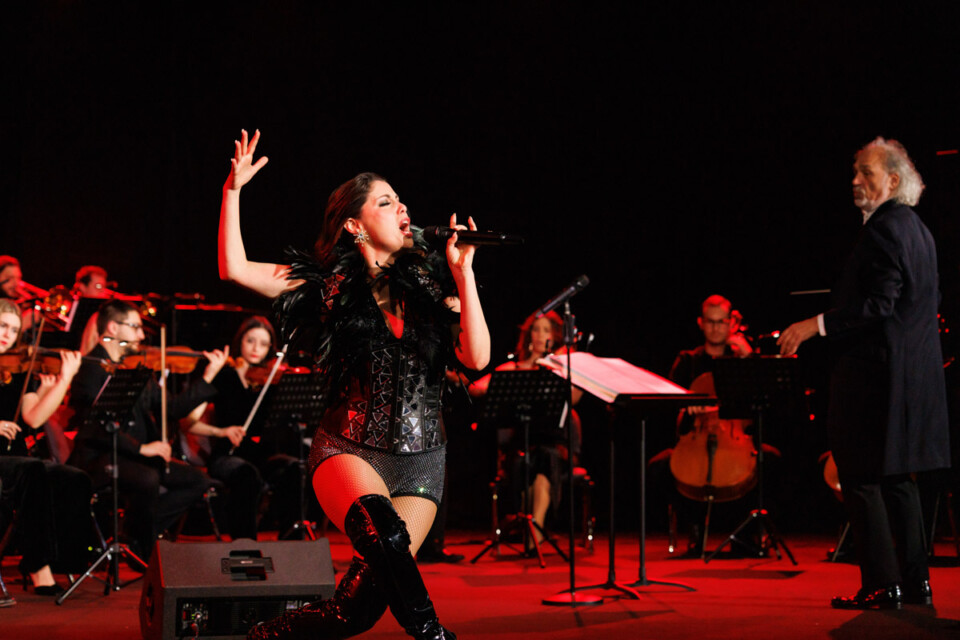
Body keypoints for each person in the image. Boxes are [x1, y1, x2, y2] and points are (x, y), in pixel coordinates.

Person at [218, 130, 488, 640]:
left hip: (423, 460)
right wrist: (233, 192)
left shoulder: (431, 288)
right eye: (385, 201)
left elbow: (477, 358)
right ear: (354, 224)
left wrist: (464, 274)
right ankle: (436, 636)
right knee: (385, 534)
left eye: (401, 199)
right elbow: (233, 268)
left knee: (357, 611)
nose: (402, 207)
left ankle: (264, 637)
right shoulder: (326, 286)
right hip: (349, 449)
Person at [779, 137, 950, 609]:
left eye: (866, 173)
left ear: (892, 181)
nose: (855, 180)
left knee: (860, 478)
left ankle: (881, 584)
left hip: (874, 379)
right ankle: (915, 582)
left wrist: (814, 325)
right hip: (911, 377)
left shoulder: (883, 230)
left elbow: (879, 305)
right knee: (897, 480)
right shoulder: (917, 229)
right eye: (855, 172)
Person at [67, 299, 228, 564]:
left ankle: (135, 535)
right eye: (135, 327)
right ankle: (144, 546)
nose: (142, 336)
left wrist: (208, 376)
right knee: (148, 478)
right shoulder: (90, 369)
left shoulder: (133, 368)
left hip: (134, 457)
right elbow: (96, 429)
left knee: (197, 480)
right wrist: (142, 448)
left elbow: (173, 408)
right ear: (113, 328)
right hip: (100, 457)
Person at [0, 299, 92, 595]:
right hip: (12, 464)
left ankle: (65, 561)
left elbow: (34, 417)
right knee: (33, 471)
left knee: (74, 478)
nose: (7, 334)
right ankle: (38, 566)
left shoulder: (16, 370)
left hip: (15, 457)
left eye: (13, 330)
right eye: (2, 326)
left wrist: (57, 385)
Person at [651, 295, 755, 556]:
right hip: (695, 439)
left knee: (769, 460)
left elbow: (760, 398)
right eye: (710, 322)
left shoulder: (740, 357)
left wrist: (750, 359)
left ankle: (745, 535)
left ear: (732, 323)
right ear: (701, 323)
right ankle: (694, 529)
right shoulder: (688, 360)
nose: (716, 328)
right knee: (660, 466)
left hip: (735, 440)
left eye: (721, 322)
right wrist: (687, 405)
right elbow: (668, 402)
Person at [180, 315, 301, 540]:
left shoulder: (270, 381)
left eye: (263, 344)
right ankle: (245, 545)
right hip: (227, 455)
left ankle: (292, 542)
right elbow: (188, 422)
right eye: (250, 341)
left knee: (294, 468)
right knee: (247, 475)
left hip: (259, 455)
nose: (256, 349)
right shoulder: (224, 375)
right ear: (240, 341)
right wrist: (222, 431)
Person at [470, 310, 582, 550]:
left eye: (547, 330)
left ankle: (533, 532)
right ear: (529, 334)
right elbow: (476, 388)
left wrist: (563, 361)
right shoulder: (514, 368)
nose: (540, 335)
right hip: (521, 443)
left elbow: (574, 398)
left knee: (545, 461)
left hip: (554, 444)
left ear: (555, 335)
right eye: (536, 329)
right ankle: (534, 532)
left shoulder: (560, 368)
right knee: (527, 464)